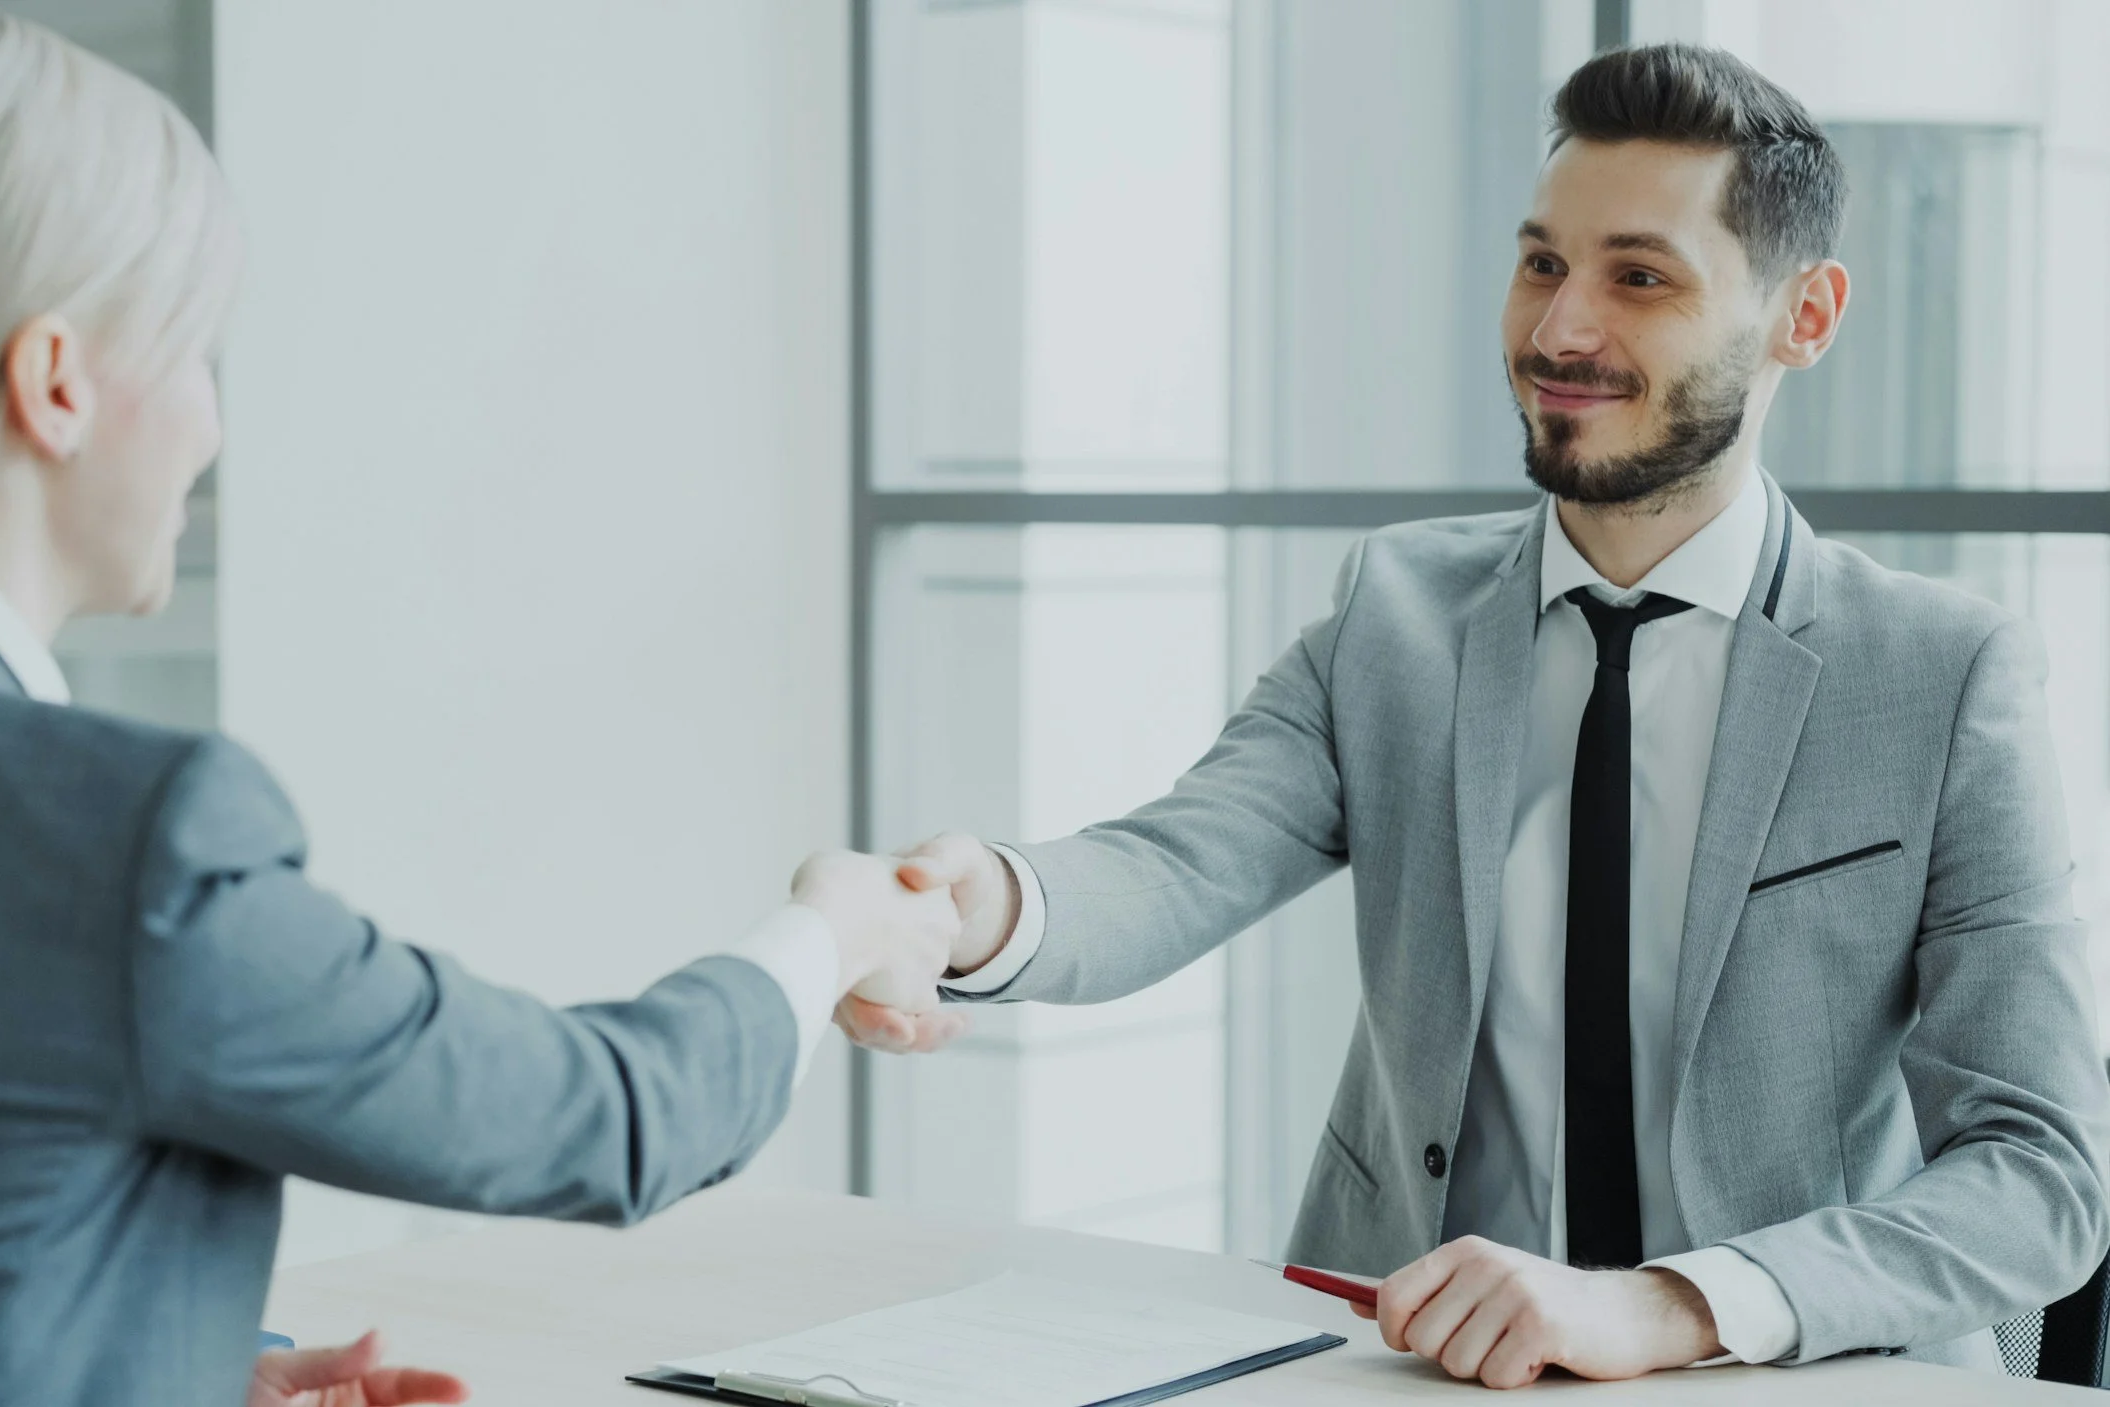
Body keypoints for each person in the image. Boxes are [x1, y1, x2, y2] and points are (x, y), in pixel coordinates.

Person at [0, 13, 957, 1407]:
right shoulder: (122, 842)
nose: (209, 420)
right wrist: (840, 925)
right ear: (56, 382)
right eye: (194, 352)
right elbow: (611, 1118)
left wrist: (192, 1368)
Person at [844, 41, 2110, 1388]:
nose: (1560, 331)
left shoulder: (1940, 672)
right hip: (1426, 1365)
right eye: (1541, 263)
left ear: (1805, 315)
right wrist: (956, 902)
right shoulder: (1398, 613)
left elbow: (2042, 1171)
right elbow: (1171, 862)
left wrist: (1674, 1303)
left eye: (1639, 276)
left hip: (1799, 1371)